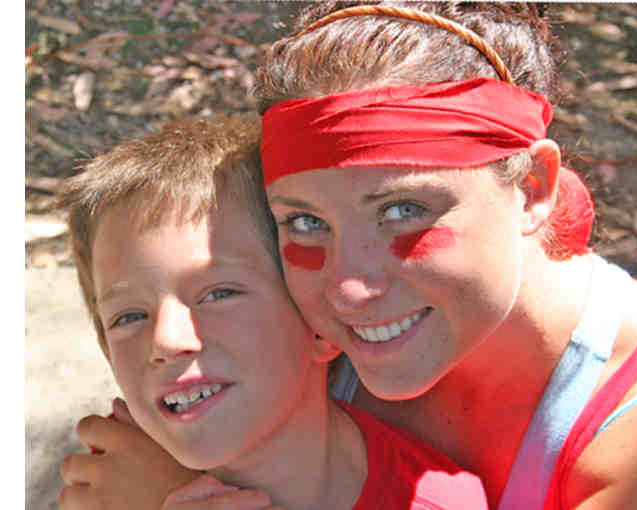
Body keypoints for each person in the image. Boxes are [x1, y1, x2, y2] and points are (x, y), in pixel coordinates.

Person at [59, 2, 637, 509]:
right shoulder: (279, 347)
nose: (348, 290)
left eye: (404, 209)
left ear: (532, 189)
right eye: (306, 222)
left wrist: (176, 493)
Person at [56, 115, 489, 510]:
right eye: (128, 317)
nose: (165, 340)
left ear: (319, 323)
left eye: (218, 293)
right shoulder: (112, 478)